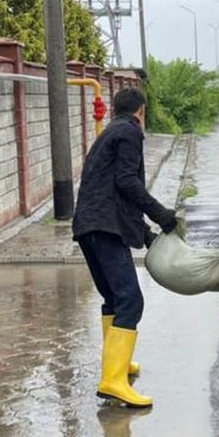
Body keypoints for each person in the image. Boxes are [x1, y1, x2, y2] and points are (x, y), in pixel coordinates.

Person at [72, 86, 177, 408]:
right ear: (141, 111)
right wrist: (162, 215)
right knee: (131, 300)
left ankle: (117, 365)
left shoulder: (109, 133)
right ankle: (113, 381)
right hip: (104, 228)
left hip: (88, 226)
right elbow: (127, 182)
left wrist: (143, 231)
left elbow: (110, 189)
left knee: (114, 299)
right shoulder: (129, 133)